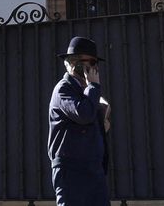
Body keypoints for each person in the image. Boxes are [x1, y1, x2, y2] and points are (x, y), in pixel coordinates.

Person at [48, 36, 112, 206]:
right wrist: (94, 86)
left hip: (92, 169)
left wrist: (102, 122)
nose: (95, 68)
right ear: (75, 63)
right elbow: (83, 114)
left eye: (96, 63)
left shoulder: (84, 90)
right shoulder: (64, 88)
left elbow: (88, 119)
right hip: (72, 170)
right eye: (91, 62)